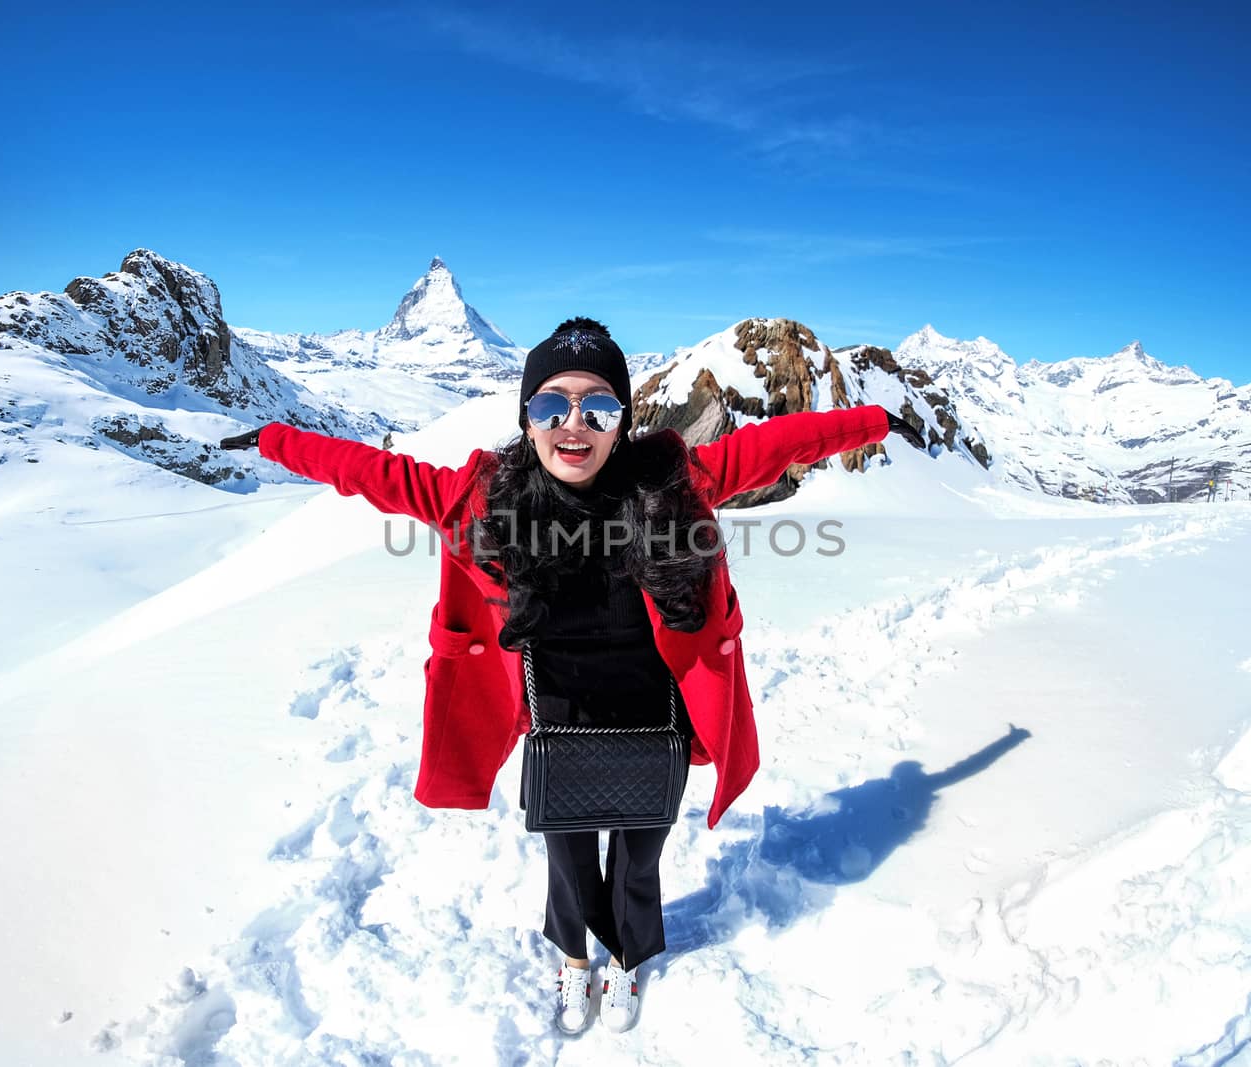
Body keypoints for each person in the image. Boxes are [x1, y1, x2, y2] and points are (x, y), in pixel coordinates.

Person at [219, 317, 910, 1034]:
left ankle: (626, 958)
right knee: (570, 858)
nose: (572, 424)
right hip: (560, 718)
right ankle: (576, 959)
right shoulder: (484, 501)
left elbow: (775, 447)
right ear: (526, 418)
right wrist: (275, 441)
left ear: (622, 423)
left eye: (597, 407)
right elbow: (370, 472)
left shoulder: (674, 487)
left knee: (640, 863)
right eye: (551, 405)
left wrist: (868, 422)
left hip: (657, 721)